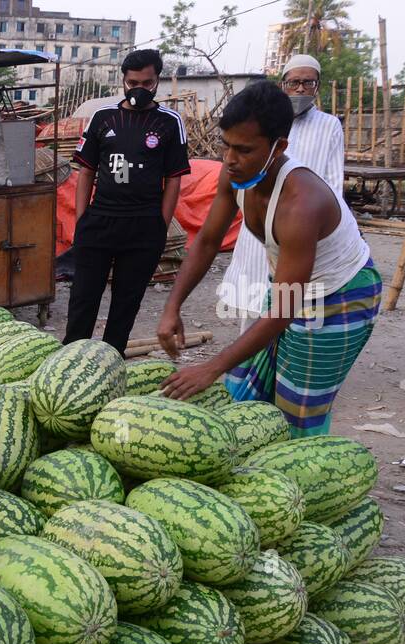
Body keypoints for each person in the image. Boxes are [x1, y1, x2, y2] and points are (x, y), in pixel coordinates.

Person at [157, 81, 381, 437]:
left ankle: (308, 484)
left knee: (297, 411)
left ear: (279, 147)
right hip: (289, 287)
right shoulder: (234, 175)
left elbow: (283, 311)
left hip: (340, 295)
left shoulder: (301, 203)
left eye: (244, 150)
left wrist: (210, 367)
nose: (230, 159)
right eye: (225, 145)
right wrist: (173, 307)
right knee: (248, 395)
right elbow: (207, 242)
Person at [65, 48, 190, 355]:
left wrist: (160, 224)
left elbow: (174, 178)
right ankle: (69, 358)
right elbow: (87, 171)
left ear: (156, 81)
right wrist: (82, 220)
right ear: (123, 80)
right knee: (83, 297)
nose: (139, 90)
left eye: (146, 84)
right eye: (133, 82)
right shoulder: (102, 118)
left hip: (144, 225)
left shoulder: (170, 122)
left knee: (127, 302)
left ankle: (112, 359)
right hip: (100, 221)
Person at [220, 54, 345, 326]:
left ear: (318, 86)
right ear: (283, 84)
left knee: (292, 311)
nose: (301, 89)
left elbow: (334, 184)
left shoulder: (329, 126)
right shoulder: (263, 125)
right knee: (252, 311)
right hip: (260, 223)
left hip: (301, 226)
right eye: (294, 82)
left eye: (308, 83)